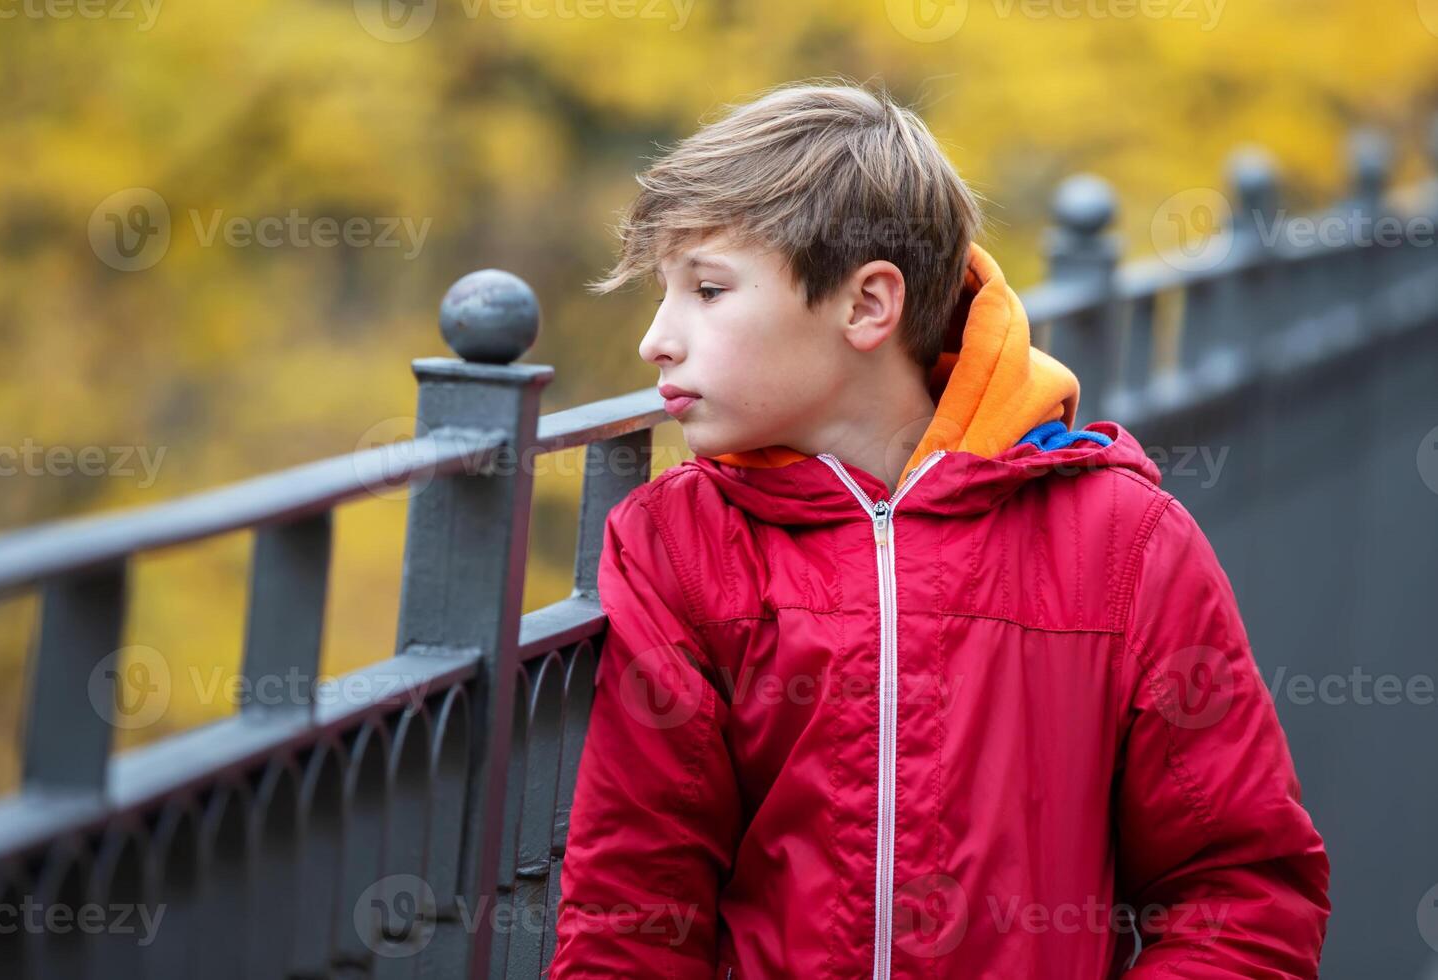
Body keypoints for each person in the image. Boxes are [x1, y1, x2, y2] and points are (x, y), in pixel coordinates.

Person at [544, 78, 1330, 978]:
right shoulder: (679, 545)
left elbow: (1238, 892)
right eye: (662, 292)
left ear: (866, 306)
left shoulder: (1122, 542)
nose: (655, 339)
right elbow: (634, 913)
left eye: (707, 291)